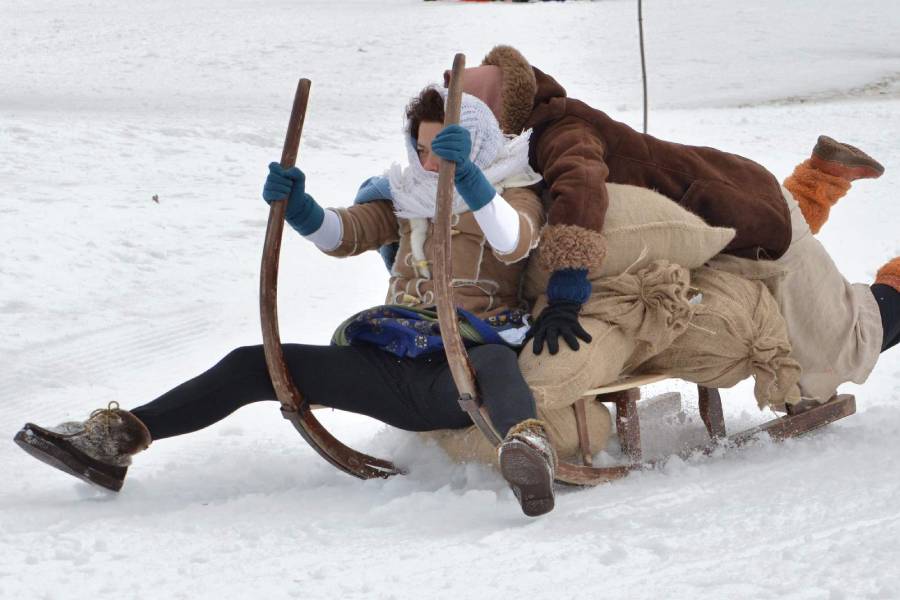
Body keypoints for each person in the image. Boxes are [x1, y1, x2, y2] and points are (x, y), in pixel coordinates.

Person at [14, 87, 560, 517]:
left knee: (494, 362)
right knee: (252, 363)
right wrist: (301, 207)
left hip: (460, 367)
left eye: (441, 150)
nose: (428, 163)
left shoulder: (512, 190)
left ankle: (527, 450)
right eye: (420, 149)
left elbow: (514, 240)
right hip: (389, 359)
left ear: (474, 145)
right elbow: (341, 234)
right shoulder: (405, 194)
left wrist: (467, 179)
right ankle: (118, 439)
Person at [448, 45, 897, 412]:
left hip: (756, 225)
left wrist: (565, 289)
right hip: (728, 202)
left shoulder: (559, 131)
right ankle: (823, 176)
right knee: (788, 289)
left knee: (842, 346)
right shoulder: (521, 142)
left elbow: (581, 189)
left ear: (494, 116)